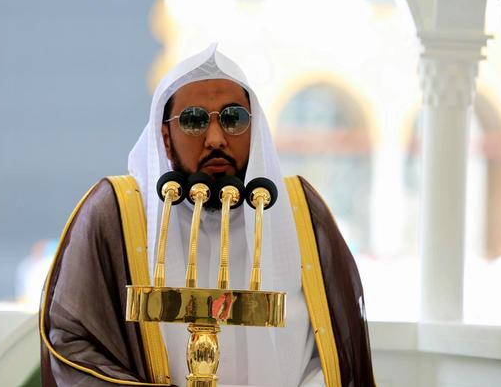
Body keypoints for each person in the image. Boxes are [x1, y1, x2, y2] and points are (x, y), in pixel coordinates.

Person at [40, 43, 375, 386]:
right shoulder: (116, 213)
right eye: (194, 120)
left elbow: (334, 355)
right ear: (165, 138)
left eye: (233, 119)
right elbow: (71, 340)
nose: (216, 139)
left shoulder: (298, 211)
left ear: (254, 129)